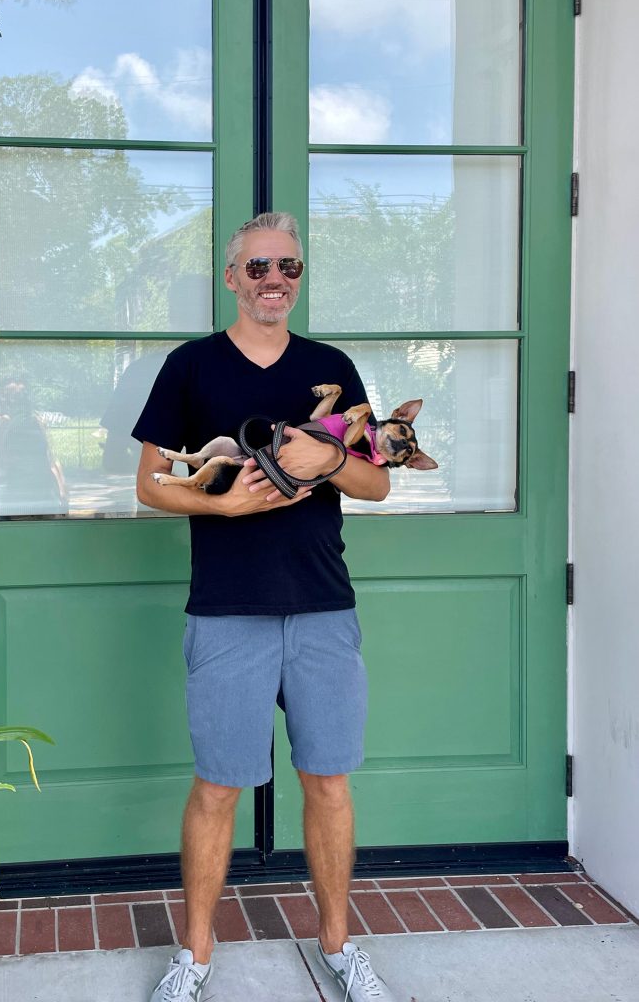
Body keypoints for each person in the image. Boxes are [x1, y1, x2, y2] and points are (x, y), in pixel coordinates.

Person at [133, 213, 395, 1002]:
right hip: (227, 610)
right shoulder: (190, 367)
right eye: (257, 268)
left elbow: (379, 483)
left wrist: (334, 457)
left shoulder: (332, 367)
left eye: (288, 266)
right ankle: (197, 956)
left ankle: (340, 947)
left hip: (321, 605)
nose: (273, 278)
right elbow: (150, 485)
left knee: (329, 782)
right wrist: (226, 509)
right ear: (230, 279)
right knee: (218, 787)